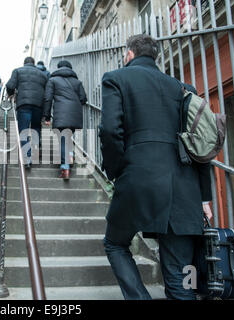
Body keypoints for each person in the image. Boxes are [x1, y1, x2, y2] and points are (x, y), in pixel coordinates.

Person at [99, 34, 213, 300]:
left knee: (115, 243)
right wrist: (204, 196)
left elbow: (109, 131)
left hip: (138, 180)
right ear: (155, 56)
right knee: (182, 276)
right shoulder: (184, 89)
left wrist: (117, 171)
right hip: (184, 190)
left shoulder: (116, 78)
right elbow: (201, 147)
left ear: (129, 54)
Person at [43, 60, 87, 179]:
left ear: (58, 68)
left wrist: (46, 116)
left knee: (62, 138)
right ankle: (70, 153)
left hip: (61, 114)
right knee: (67, 136)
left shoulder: (52, 80)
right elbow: (83, 99)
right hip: (75, 114)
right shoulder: (77, 82)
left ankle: (65, 167)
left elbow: (48, 98)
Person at [6, 56, 48, 169]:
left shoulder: (18, 71)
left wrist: (10, 94)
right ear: (34, 63)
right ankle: (35, 151)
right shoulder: (43, 74)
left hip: (23, 104)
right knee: (36, 128)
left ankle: (27, 158)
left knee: (23, 130)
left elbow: (10, 85)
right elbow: (47, 92)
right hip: (38, 105)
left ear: (24, 63)